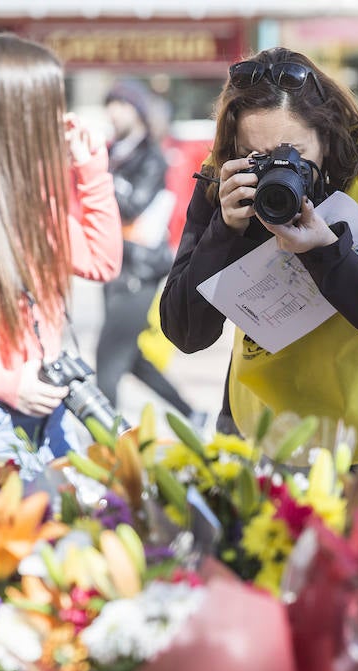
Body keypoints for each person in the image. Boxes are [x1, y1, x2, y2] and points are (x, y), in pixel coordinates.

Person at [159, 47, 358, 468]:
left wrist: (326, 252)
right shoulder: (229, 181)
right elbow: (186, 334)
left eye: (292, 150)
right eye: (256, 154)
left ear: (327, 135)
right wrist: (224, 230)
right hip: (269, 426)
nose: (276, 167)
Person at [0, 32, 123, 477]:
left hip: (48, 405)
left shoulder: (32, 199)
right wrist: (7, 382)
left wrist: (91, 170)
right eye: (49, 105)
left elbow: (101, 261)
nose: (60, 118)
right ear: (15, 116)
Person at [96, 79, 206, 428]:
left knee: (107, 364)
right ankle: (192, 414)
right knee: (129, 357)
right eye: (110, 103)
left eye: (121, 104)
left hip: (139, 271)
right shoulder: (110, 151)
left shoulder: (151, 156)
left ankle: (109, 445)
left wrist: (99, 180)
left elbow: (131, 206)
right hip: (114, 266)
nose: (113, 111)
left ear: (138, 110)